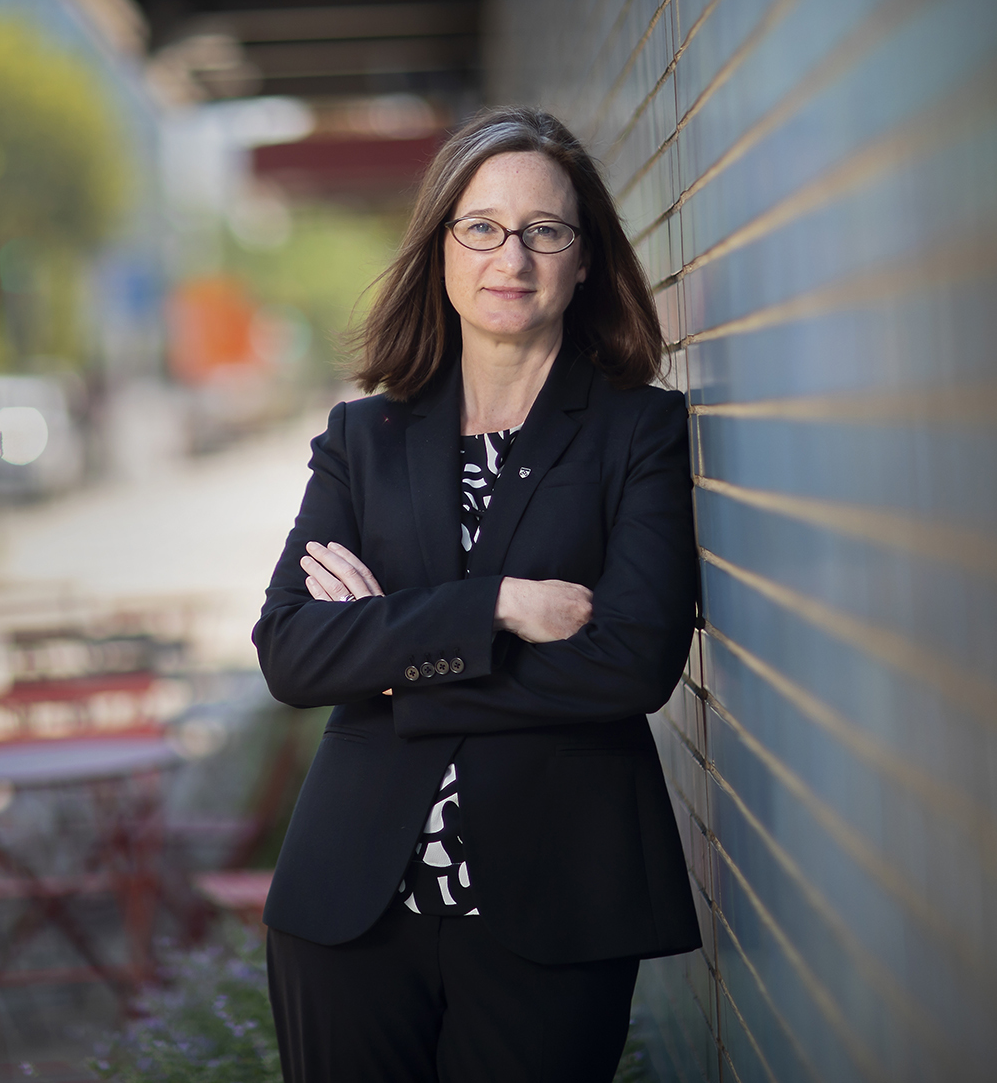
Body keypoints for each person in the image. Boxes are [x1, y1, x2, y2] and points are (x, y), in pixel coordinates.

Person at [254, 107, 702, 1082]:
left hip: (555, 906)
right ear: (440, 249)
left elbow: (629, 664)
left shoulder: (637, 432)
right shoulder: (362, 438)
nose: (512, 255)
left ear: (584, 259)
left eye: (544, 229)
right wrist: (493, 606)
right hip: (347, 912)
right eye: (481, 227)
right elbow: (290, 651)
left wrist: (387, 661)